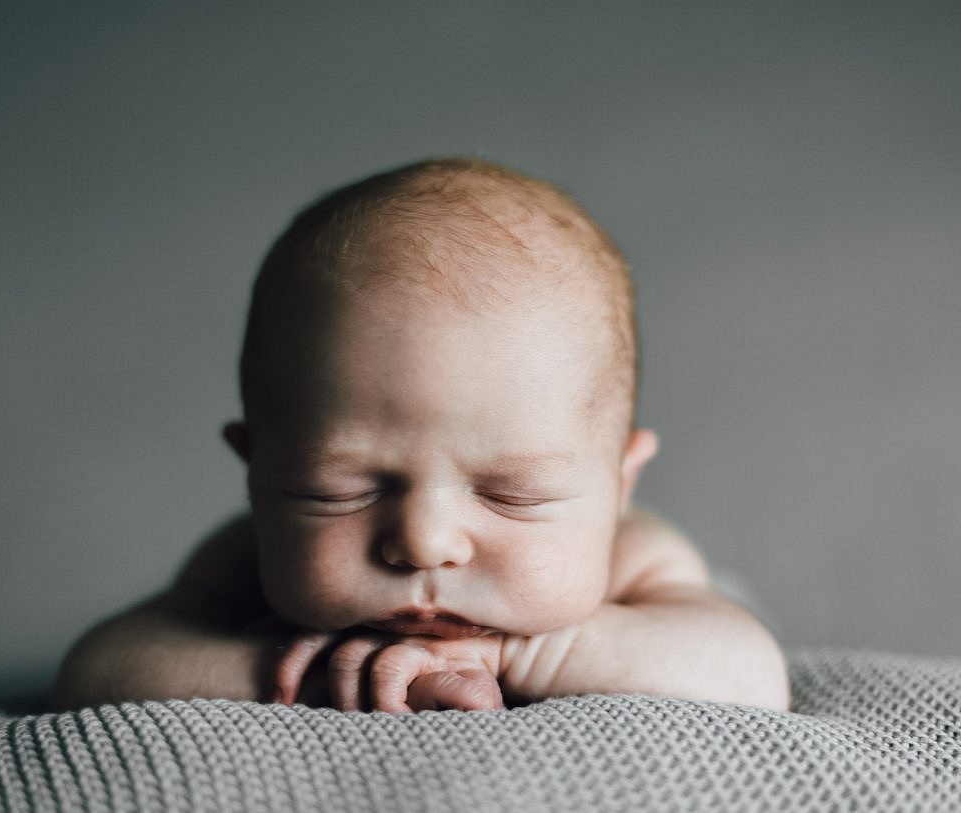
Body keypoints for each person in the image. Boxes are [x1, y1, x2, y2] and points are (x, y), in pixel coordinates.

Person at [51, 157, 790, 713]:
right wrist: (297, 671)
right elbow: (98, 670)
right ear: (260, 477)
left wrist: (518, 653)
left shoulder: (637, 557)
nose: (424, 541)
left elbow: (748, 673)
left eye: (513, 494)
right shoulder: (247, 557)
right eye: (339, 490)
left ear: (618, 484)